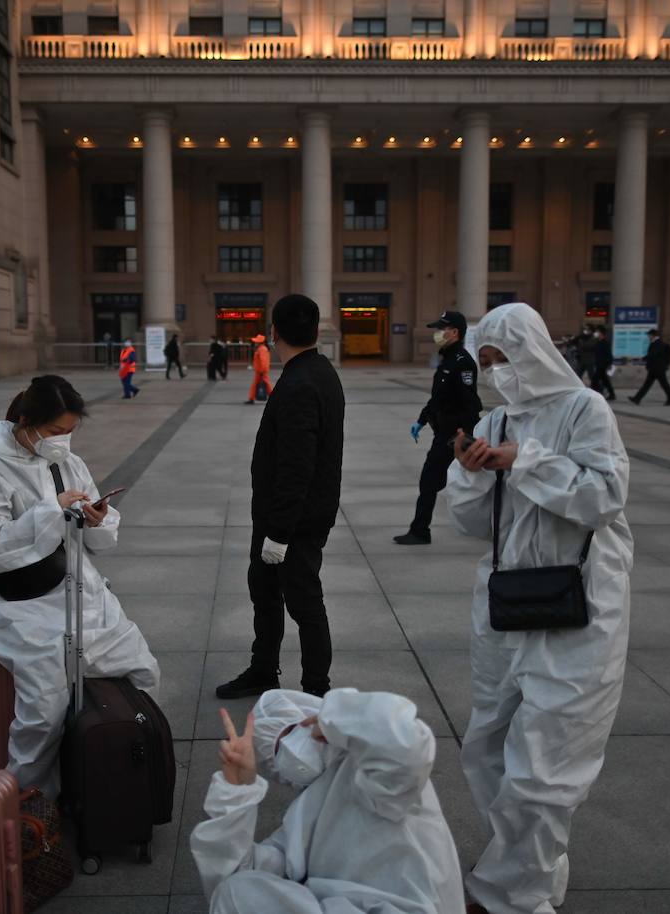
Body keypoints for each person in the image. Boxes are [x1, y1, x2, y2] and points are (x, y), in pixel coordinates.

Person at [445, 302, 632, 914]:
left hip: (579, 605)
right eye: (488, 361)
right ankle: (528, 865)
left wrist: (524, 462)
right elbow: (475, 522)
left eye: (506, 358)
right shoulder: (496, 421)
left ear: (537, 351)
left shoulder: (586, 409)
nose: (498, 371)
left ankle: (504, 896)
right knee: (488, 746)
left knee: (548, 762)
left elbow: (603, 496)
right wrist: (471, 469)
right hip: (506, 602)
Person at [0, 375, 160, 792]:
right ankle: (29, 804)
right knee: (44, 711)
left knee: (143, 671)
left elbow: (95, 535)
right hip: (26, 606)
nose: (61, 442)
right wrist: (52, 512)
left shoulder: (68, 463)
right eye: (54, 432)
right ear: (25, 421)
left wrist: (96, 518)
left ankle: (115, 779)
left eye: (69, 433)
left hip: (82, 593)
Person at [191, 688, 465, 914]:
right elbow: (239, 878)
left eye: (290, 733)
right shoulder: (303, 812)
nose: (287, 751)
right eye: (275, 752)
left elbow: (405, 743)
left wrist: (339, 715)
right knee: (235, 891)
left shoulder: (380, 777)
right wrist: (237, 792)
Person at [217, 294, 345, 699]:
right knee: (265, 593)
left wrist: (279, 533)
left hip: (292, 521)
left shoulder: (299, 383)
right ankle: (263, 669)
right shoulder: (319, 371)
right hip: (292, 515)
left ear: (274, 333)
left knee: (304, 602)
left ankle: (315, 690)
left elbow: (296, 466)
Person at [394, 310, 482, 546]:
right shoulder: (448, 360)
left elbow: (471, 403)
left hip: (452, 434)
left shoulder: (463, 363)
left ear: (454, 332)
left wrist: (464, 434)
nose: (437, 334)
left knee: (432, 479)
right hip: (442, 431)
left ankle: (420, 531)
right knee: (437, 480)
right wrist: (422, 420)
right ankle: (420, 529)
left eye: (441, 330)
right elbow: (437, 398)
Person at [627, 328, 670, 405]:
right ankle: (637, 398)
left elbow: (653, 355)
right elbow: (652, 355)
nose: (648, 337)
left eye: (649, 335)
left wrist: (643, 358)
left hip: (658, 369)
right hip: (655, 368)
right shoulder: (655, 343)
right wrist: (642, 358)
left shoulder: (658, 343)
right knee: (648, 385)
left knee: (664, 384)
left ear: (652, 335)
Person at [590, 327, 616, 401]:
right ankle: (612, 394)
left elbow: (609, 354)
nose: (596, 333)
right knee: (605, 380)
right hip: (598, 364)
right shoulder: (598, 342)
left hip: (603, 364)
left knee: (594, 380)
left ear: (601, 333)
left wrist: (610, 363)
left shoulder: (605, 343)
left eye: (597, 332)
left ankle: (598, 393)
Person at [246, 334, 272, 404]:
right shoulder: (262, 348)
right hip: (261, 371)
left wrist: (262, 371)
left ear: (260, 342)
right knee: (265, 384)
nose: (255, 343)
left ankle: (251, 399)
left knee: (265, 384)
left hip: (261, 371)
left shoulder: (262, 349)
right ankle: (251, 398)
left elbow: (263, 361)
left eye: (256, 341)